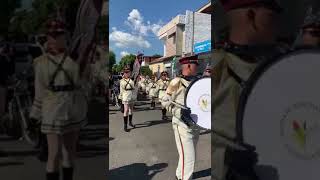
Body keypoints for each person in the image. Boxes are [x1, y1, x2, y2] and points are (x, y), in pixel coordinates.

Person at [212, 0, 286, 179]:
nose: (278, 23)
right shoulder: (217, 68)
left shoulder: (290, 64)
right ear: (251, 16)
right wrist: (225, 165)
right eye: (272, 14)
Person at [29, 19, 88, 180]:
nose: (54, 39)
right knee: (53, 154)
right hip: (52, 110)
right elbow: (39, 92)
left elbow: (82, 86)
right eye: (51, 36)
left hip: (71, 108)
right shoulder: (40, 63)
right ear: (47, 37)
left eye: (59, 35)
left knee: (69, 154)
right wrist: (34, 115)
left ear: (65, 37)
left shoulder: (74, 61)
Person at [161, 55, 201, 180]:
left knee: (186, 155)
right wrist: (179, 112)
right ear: (188, 66)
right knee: (189, 157)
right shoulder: (176, 82)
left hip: (195, 125)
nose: (197, 67)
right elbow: (165, 101)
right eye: (195, 65)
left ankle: (179, 176)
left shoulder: (198, 81)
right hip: (182, 125)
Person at [119, 65, 135, 132]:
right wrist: (120, 98)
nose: (127, 73)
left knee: (131, 110)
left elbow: (133, 88)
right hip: (125, 96)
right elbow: (121, 90)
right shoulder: (122, 81)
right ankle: (125, 126)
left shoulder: (131, 80)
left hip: (131, 95)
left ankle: (130, 122)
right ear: (124, 73)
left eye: (128, 72)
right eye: (126, 72)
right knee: (126, 110)